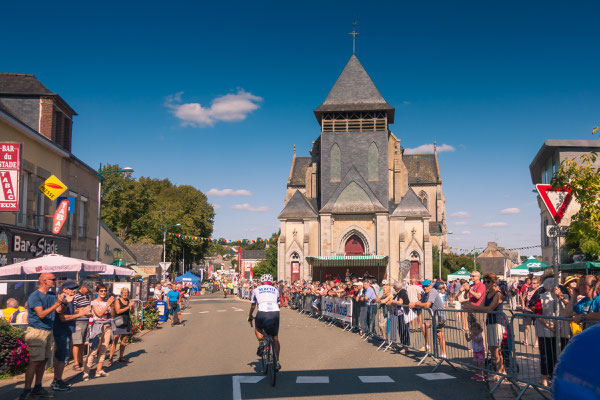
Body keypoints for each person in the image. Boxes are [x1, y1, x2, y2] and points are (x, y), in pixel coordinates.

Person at [20, 273, 73, 400]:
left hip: (48, 331)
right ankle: (26, 390)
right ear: (44, 281)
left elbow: (59, 311)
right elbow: (42, 314)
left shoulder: (51, 295)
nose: (55, 281)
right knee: (35, 361)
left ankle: (38, 387)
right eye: (53, 279)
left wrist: (65, 302)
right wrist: (58, 303)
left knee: (43, 361)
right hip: (37, 332)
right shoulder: (35, 296)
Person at [463, 273, 506, 380]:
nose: (486, 284)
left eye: (488, 282)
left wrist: (472, 307)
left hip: (498, 322)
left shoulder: (498, 294)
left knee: (496, 349)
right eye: (485, 281)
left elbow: (490, 308)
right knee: (493, 348)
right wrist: (471, 307)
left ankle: (499, 373)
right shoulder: (487, 293)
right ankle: (502, 371)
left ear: (494, 282)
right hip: (490, 322)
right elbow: (481, 306)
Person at [536, 277, 571, 387]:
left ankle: (547, 378)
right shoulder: (541, 297)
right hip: (551, 330)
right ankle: (547, 378)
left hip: (559, 330)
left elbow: (570, 308)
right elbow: (538, 313)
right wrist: (550, 325)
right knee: (548, 355)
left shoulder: (563, 297)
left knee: (552, 354)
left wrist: (560, 296)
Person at [52, 282, 86, 391]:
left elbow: (68, 312)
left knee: (61, 356)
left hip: (66, 330)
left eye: (75, 289)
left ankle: (57, 380)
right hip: (61, 331)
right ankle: (58, 381)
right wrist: (79, 314)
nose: (73, 290)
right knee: (62, 357)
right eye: (71, 289)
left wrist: (79, 311)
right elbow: (62, 317)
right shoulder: (63, 299)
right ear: (64, 289)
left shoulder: (69, 299)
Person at [248, 274, 281, 370]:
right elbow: (279, 305)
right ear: (271, 282)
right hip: (275, 313)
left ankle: (261, 342)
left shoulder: (256, 290)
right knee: (275, 338)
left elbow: (253, 305)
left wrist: (250, 315)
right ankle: (277, 362)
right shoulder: (276, 290)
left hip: (262, 312)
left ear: (261, 282)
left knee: (258, 328)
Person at [83, 284, 114, 381]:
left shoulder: (106, 302)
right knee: (94, 349)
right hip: (97, 326)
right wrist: (108, 304)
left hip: (107, 326)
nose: (103, 293)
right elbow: (99, 314)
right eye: (101, 291)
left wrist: (111, 306)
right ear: (97, 292)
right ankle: (86, 372)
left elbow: (111, 314)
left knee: (104, 349)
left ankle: (98, 370)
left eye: (105, 291)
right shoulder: (93, 302)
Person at [409, 279, 446, 357]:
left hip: (440, 316)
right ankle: (428, 346)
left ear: (430, 286)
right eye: (423, 287)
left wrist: (415, 304)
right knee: (425, 326)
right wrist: (414, 303)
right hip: (434, 316)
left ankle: (443, 354)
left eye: (426, 286)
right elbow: (420, 301)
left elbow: (427, 305)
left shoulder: (433, 292)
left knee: (437, 333)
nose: (425, 288)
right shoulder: (425, 294)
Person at [109, 287, 133, 365]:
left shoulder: (129, 301)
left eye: (126, 292)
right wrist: (127, 307)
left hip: (126, 320)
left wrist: (131, 306)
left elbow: (131, 312)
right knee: (115, 338)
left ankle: (121, 356)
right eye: (124, 292)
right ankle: (111, 357)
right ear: (121, 293)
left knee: (124, 339)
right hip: (118, 321)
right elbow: (118, 311)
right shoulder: (117, 300)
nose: (125, 294)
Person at [72, 283, 92, 371]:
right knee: (76, 342)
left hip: (85, 321)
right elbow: (72, 309)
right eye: (87, 289)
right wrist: (82, 311)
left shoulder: (86, 296)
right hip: (78, 321)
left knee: (82, 342)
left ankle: (80, 361)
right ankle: (75, 363)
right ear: (83, 287)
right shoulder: (76, 296)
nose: (88, 291)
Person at [391, 282, 411, 354]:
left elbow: (400, 302)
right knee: (401, 330)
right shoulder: (399, 293)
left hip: (403, 313)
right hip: (399, 314)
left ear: (396, 288)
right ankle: (403, 345)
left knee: (404, 330)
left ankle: (405, 347)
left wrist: (393, 301)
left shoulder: (402, 292)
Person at [522, 277, 540, 346]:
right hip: (527, 310)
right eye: (531, 283)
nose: (532, 284)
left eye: (534, 283)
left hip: (536, 311)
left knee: (536, 326)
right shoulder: (527, 290)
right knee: (527, 326)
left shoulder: (539, 291)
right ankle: (525, 339)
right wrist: (523, 306)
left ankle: (536, 341)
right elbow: (523, 298)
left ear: (538, 284)